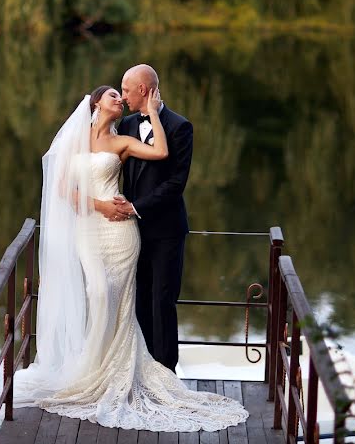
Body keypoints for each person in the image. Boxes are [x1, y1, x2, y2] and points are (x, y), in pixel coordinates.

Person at [13, 84, 247, 432]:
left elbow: (161, 153)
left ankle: (123, 370)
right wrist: (100, 205)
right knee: (96, 292)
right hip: (89, 229)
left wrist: (153, 111)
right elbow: (63, 188)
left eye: (124, 94)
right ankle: (92, 370)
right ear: (95, 103)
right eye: (114, 95)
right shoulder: (74, 139)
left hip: (121, 232)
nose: (120, 99)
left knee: (122, 300)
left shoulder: (123, 139)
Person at [111, 64, 192, 371]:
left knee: (163, 301)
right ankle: (142, 369)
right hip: (130, 232)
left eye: (127, 89)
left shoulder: (180, 127)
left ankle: (166, 373)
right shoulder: (127, 124)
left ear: (143, 90)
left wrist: (136, 206)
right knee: (139, 300)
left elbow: (176, 184)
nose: (123, 96)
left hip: (166, 230)